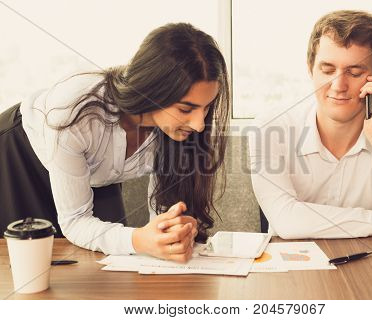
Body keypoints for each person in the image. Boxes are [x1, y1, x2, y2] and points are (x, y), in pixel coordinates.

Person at [0, 23, 230, 261]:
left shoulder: (177, 130)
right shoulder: (74, 112)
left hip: (94, 173)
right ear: (153, 91)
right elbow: (76, 221)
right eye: (186, 109)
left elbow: (164, 216)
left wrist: (171, 234)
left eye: (206, 107)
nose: (199, 124)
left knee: (105, 261)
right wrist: (140, 240)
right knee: (26, 265)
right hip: (19, 157)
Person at [249, 10, 372, 239]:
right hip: (290, 268)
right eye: (327, 70)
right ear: (310, 68)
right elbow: (286, 221)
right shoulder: (270, 127)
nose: (338, 85)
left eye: (354, 72)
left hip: (367, 264)